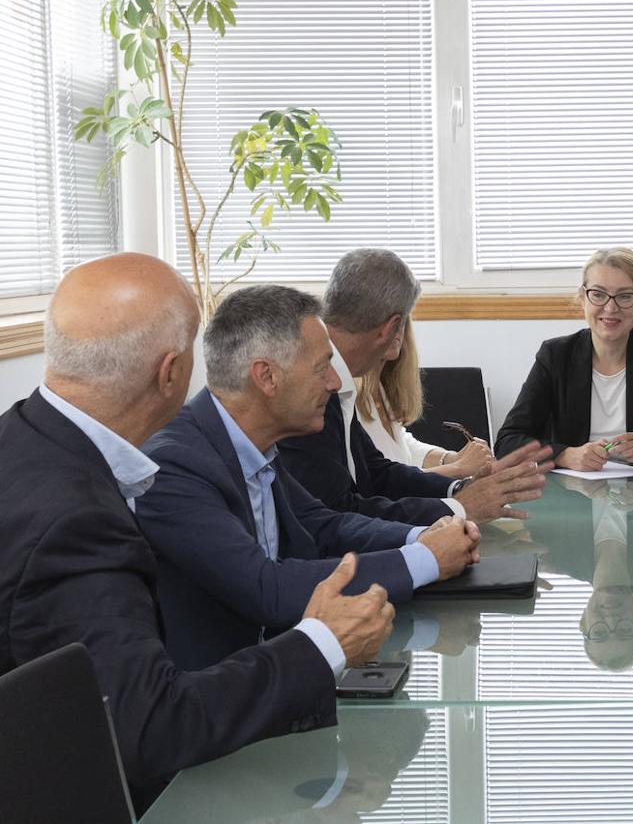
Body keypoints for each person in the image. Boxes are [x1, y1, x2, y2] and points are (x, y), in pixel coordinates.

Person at [0, 254, 393, 811]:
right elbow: (150, 728)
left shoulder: (22, 438)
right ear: (170, 373)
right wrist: (323, 642)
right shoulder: (77, 521)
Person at [137, 285, 481, 672]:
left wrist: (421, 536)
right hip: (221, 701)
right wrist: (426, 559)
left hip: (285, 673)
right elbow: (266, 588)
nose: (335, 382)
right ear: (266, 376)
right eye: (322, 367)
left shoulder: (255, 444)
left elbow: (321, 525)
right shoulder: (173, 465)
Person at [279, 248, 551, 525]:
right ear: (392, 327)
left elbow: (377, 473)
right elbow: (337, 514)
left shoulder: (335, 375)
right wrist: (457, 508)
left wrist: (458, 489)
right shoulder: (313, 389)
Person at [495, 246, 633, 469]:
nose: (610, 307)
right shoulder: (556, 356)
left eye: (625, 296)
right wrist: (565, 455)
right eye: (599, 294)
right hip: (573, 494)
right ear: (582, 297)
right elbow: (508, 441)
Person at [357, 336, 493, 479]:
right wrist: (458, 468)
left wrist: (452, 458)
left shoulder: (381, 386)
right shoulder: (346, 399)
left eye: (401, 320)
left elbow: (403, 447)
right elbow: (379, 481)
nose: (396, 330)